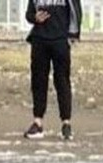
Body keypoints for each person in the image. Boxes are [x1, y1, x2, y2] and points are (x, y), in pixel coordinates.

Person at [23, 0, 82, 142]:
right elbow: (29, 15)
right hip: (39, 40)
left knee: (62, 82)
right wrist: (35, 17)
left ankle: (66, 124)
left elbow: (76, 12)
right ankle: (38, 122)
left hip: (60, 40)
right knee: (38, 82)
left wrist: (73, 36)